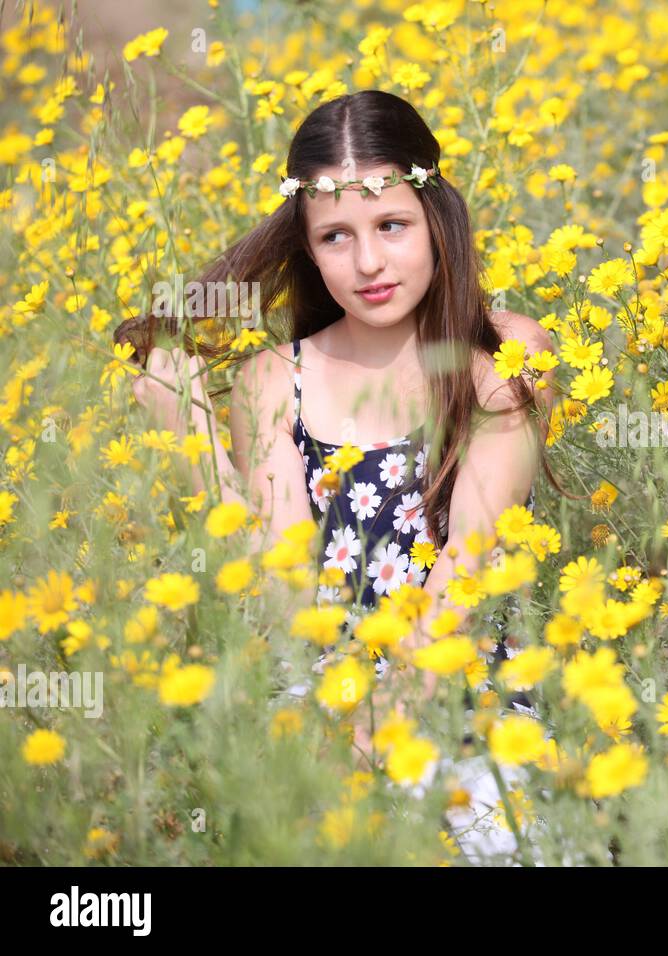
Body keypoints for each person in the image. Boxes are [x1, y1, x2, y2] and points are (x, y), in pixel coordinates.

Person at [119, 89, 565, 862]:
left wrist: (375, 739)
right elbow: (285, 587)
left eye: (391, 226)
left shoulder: (507, 354)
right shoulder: (272, 381)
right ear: (308, 246)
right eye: (334, 237)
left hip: (471, 710)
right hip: (321, 707)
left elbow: (473, 559)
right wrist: (189, 435)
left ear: (437, 220)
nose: (367, 263)